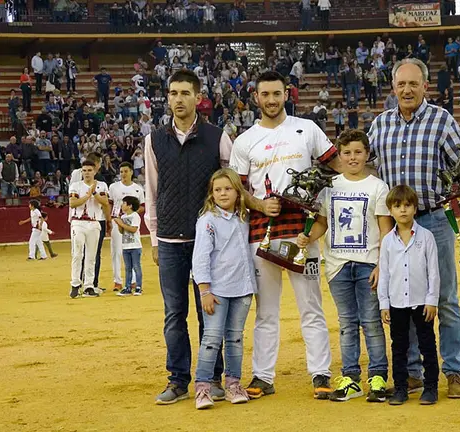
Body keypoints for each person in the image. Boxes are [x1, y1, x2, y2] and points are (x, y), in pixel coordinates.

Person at [229, 70, 342, 400]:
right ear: (256, 98)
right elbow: (238, 187)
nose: (271, 100)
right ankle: (263, 376)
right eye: (265, 94)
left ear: (286, 94)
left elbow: (336, 165)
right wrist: (259, 205)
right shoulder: (244, 140)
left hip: (303, 233)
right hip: (261, 233)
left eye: (277, 94)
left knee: (311, 306)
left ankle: (320, 374)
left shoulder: (306, 129)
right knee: (265, 310)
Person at [367, 57, 460, 398]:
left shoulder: (442, 120)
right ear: (393, 88)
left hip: (434, 219)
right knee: (402, 298)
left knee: (445, 298)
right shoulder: (379, 125)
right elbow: (366, 170)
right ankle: (411, 372)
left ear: (426, 86)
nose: (407, 90)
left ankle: (453, 371)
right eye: (401, 84)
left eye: (413, 84)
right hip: (395, 229)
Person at [145, 70, 234, 405]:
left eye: (184, 93)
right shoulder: (154, 139)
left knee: (208, 311)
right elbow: (151, 191)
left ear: (198, 98)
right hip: (168, 240)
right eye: (172, 93)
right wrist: (153, 237)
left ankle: (211, 378)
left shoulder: (217, 137)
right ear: (167, 98)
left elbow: (232, 184)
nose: (178, 99)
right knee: (174, 314)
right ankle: (178, 379)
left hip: (208, 240)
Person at [296, 129, 393, 403]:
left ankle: (377, 377)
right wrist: (309, 236)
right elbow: (323, 223)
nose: (352, 158)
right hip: (337, 266)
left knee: (372, 322)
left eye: (358, 152)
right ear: (339, 155)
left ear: (367, 154)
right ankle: (350, 378)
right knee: (347, 323)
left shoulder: (378, 186)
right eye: (347, 153)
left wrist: (381, 265)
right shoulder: (329, 187)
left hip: (368, 265)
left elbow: (386, 230)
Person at [191, 168, 257, 410]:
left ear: (237, 192)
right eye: (217, 190)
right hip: (216, 291)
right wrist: (205, 290)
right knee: (211, 339)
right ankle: (203, 388)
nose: (222, 193)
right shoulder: (208, 220)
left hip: (242, 288)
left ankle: (233, 384)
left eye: (227, 189)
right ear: (211, 193)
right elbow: (200, 257)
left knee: (236, 338)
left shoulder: (245, 217)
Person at [377, 185, 440, 406]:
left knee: (427, 345)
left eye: (407, 205)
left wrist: (432, 300)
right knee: (399, 346)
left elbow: (433, 271)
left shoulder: (427, 237)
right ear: (390, 210)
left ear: (415, 208)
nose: (402, 210)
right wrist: (384, 304)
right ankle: (401, 388)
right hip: (397, 302)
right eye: (397, 206)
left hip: (422, 301)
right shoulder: (387, 241)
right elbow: (383, 274)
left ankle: (431, 387)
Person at [69, 161, 110, 299]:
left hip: (94, 222)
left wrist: (94, 193)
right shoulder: (75, 185)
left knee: (91, 256)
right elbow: (73, 203)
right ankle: (75, 283)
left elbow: (105, 202)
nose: (86, 173)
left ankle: (88, 285)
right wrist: (88, 195)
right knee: (77, 253)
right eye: (84, 170)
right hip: (78, 222)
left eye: (89, 170)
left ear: (94, 172)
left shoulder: (102, 185)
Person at [109, 162, 145, 294]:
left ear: (131, 172)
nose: (123, 174)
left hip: (130, 221)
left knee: (131, 248)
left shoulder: (138, 189)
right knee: (117, 251)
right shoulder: (113, 187)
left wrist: (131, 214)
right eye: (121, 171)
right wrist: (111, 220)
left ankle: (134, 281)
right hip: (117, 220)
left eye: (125, 171)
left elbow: (142, 206)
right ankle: (118, 280)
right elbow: (110, 204)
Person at [114, 196, 143, 296]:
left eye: (124, 203)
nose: (122, 205)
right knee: (128, 268)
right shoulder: (123, 217)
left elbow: (133, 229)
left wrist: (121, 223)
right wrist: (118, 224)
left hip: (135, 246)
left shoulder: (135, 216)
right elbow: (122, 231)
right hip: (126, 246)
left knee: (136, 267)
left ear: (130, 206)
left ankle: (138, 287)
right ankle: (128, 287)